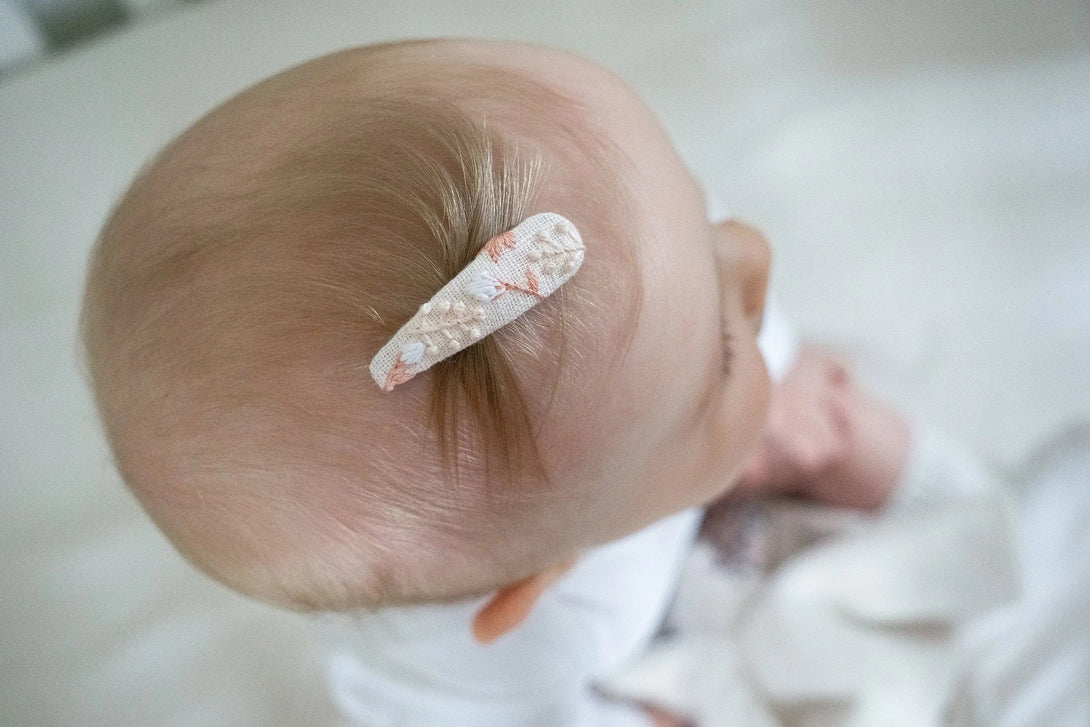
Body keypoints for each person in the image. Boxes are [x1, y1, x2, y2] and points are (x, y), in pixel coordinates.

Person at [79, 39, 964, 726]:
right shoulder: (495, 661)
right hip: (634, 600)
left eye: (693, 200)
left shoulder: (612, 228)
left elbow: (698, 276)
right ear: (534, 584)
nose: (753, 249)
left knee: (868, 443)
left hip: (661, 476)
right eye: (722, 354)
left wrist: (763, 372)